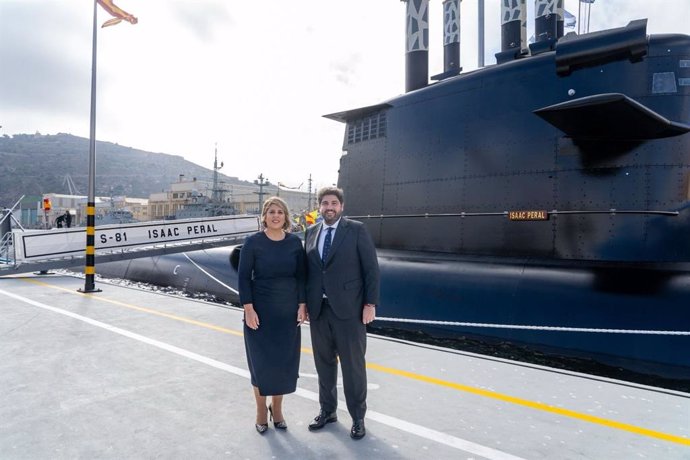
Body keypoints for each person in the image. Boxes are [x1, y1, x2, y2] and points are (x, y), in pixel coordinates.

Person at [304, 186, 380, 440]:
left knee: (353, 367)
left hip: (349, 311)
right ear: (319, 206)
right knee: (323, 365)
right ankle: (328, 411)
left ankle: (358, 418)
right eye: (324, 203)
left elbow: (371, 268)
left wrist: (370, 304)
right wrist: (303, 303)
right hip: (319, 310)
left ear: (342, 206)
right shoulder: (311, 232)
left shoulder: (356, 230)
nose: (329, 207)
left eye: (333, 203)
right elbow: (310, 272)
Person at [238, 196, 307, 435]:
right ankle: (260, 411)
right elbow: (244, 277)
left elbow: (301, 276)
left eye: (280, 212)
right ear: (264, 217)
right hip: (260, 311)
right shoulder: (253, 243)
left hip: (287, 313)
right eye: (271, 212)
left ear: (286, 217)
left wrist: (302, 304)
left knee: (283, 364)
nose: (276, 216)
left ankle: (277, 409)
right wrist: (248, 309)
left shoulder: (294, 244)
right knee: (261, 364)